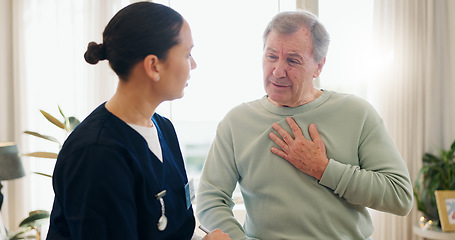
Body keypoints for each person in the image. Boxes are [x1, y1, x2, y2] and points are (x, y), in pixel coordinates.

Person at [196, 10, 413, 240]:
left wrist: (324, 168)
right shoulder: (236, 122)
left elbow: (399, 196)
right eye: (271, 57)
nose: (278, 71)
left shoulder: (357, 113)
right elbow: (211, 200)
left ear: (319, 66)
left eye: (292, 60)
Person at [46, 2, 230, 240]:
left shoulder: (163, 128)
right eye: (187, 54)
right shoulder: (96, 154)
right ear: (154, 66)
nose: (193, 64)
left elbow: (177, 226)